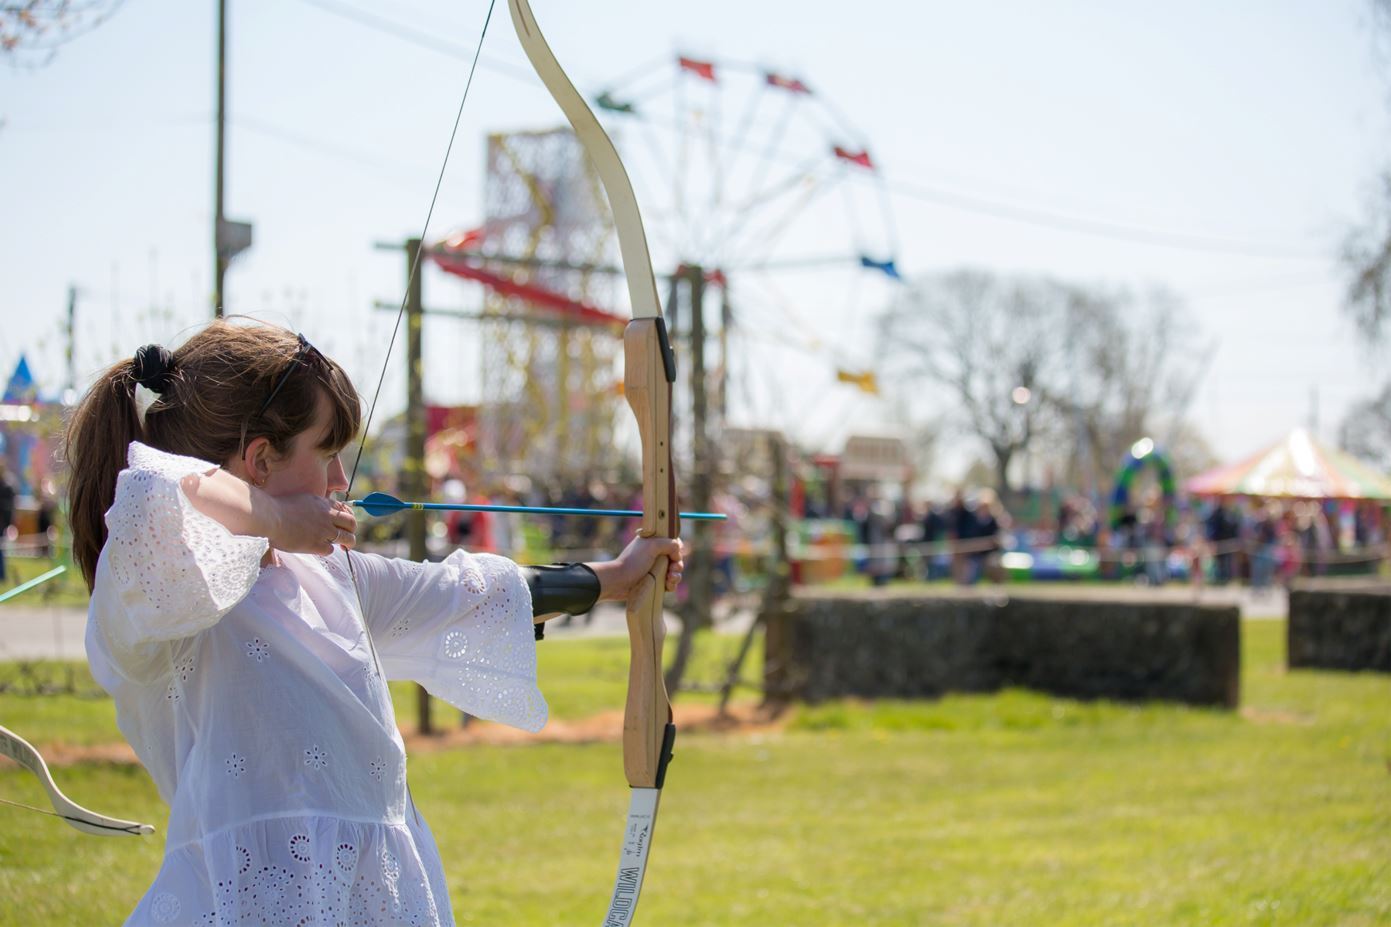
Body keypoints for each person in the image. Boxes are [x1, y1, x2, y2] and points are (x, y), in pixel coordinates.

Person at [66, 321, 683, 926]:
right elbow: (164, 487)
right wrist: (278, 523)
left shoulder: (332, 578)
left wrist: (618, 578)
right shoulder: (161, 586)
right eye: (327, 454)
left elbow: (464, 593)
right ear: (258, 460)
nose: (340, 481)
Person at [0, 459, 14, 583]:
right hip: (3, 523)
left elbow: (8, 508)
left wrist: (7, 523)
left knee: (1, 550)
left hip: (1, 524)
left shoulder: (7, 487)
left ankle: (2, 576)